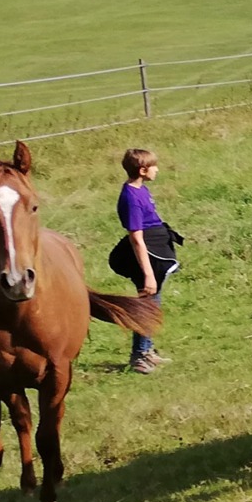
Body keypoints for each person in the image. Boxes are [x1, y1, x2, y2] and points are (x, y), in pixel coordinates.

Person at [108, 148, 182, 374]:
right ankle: (139, 356)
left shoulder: (141, 190)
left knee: (153, 303)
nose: (157, 169)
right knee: (147, 305)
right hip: (146, 256)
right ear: (142, 170)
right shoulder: (131, 198)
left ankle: (147, 349)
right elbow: (137, 238)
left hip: (156, 249)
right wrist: (148, 273)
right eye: (154, 166)